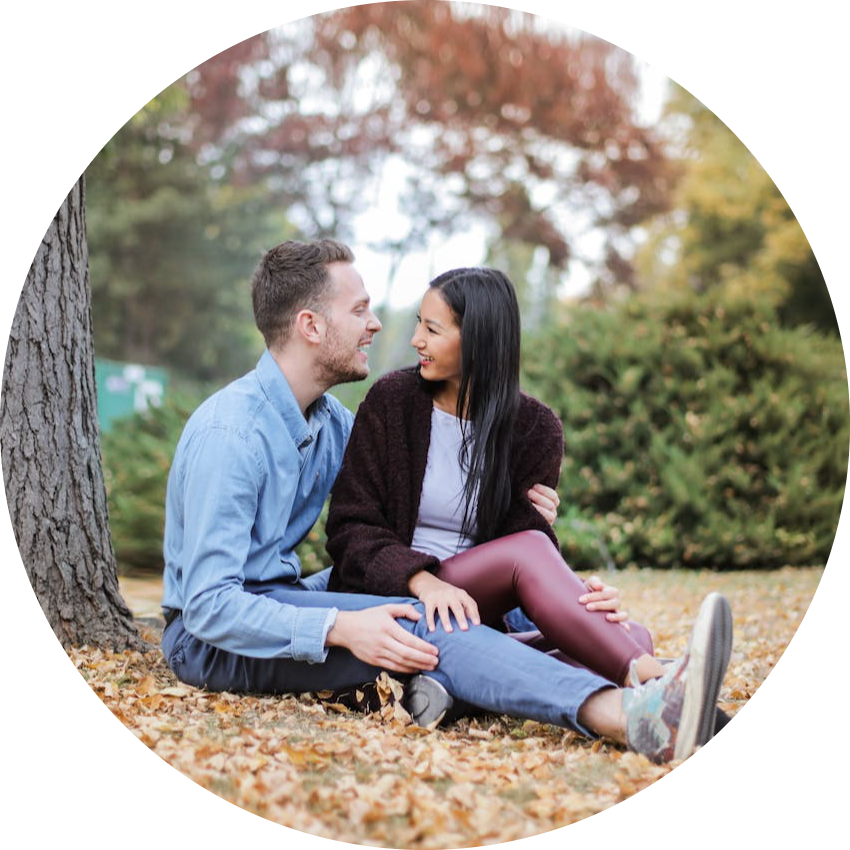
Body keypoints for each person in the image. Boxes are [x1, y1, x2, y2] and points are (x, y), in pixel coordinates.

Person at [161, 239, 733, 765]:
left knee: (442, 620)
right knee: (423, 621)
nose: (377, 325)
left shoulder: (329, 424)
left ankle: (609, 677)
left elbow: (394, 506)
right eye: (359, 310)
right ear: (310, 325)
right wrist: (340, 627)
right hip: (209, 640)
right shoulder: (231, 435)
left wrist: (566, 584)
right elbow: (209, 606)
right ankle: (630, 715)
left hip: (284, 597)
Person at [325, 267, 671, 691]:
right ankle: (659, 684)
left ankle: (449, 690)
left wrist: (582, 596)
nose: (416, 340)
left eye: (432, 329)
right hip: (395, 597)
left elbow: (521, 546)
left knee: (634, 637)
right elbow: (350, 528)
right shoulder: (392, 401)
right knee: (614, 641)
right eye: (419, 324)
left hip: (473, 612)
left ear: (478, 340)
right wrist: (425, 582)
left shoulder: (535, 429)